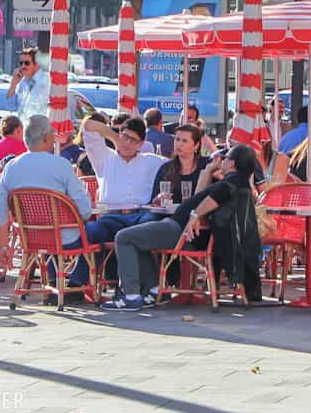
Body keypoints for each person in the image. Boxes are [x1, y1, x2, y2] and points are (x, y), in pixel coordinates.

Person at [102, 144, 262, 310]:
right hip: (180, 229)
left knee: (124, 237)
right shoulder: (237, 182)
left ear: (232, 163)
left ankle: (131, 296)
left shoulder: (233, 182)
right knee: (139, 239)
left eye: (225, 158)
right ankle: (155, 290)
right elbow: (200, 195)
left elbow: (217, 197)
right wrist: (208, 171)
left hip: (180, 231)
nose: (221, 160)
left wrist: (195, 215)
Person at [71, 115, 167, 285]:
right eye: (125, 137)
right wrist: (115, 137)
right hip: (111, 216)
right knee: (91, 232)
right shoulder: (104, 158)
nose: (127, 143)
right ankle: (77, 284)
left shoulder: (152, 161)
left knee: (147, 226)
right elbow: (88, 125)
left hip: (140, 214)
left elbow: (178, 165)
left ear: (140, 144)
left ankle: (145, 285)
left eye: (133, 140)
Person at [0, 115, 92, 277]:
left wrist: (2, 246)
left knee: (52, 232)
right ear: (46, 138)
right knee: (97, 233)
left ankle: (53, 282)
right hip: (64, 238)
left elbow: (0, 210)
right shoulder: (62, 165)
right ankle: (77, 283)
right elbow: (85, 211)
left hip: (29, 238)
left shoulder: (11, 167)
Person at [152, 124, 206, 206]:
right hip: (169, 215)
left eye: (184, 141)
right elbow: (153, 202)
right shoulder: (166, 168)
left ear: (196, 145)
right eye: (177, 139)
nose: (179, 144)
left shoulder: (206, 165)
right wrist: (159, 198)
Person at [6, 47, 49, 123]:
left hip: (41, 130)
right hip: (24, 129)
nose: (23, 66)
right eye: (21, 63)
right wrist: (13, 84)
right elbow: (10, 107)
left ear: (37, 65)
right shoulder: (23, 83)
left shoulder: (47, 81)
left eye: (26, 63)